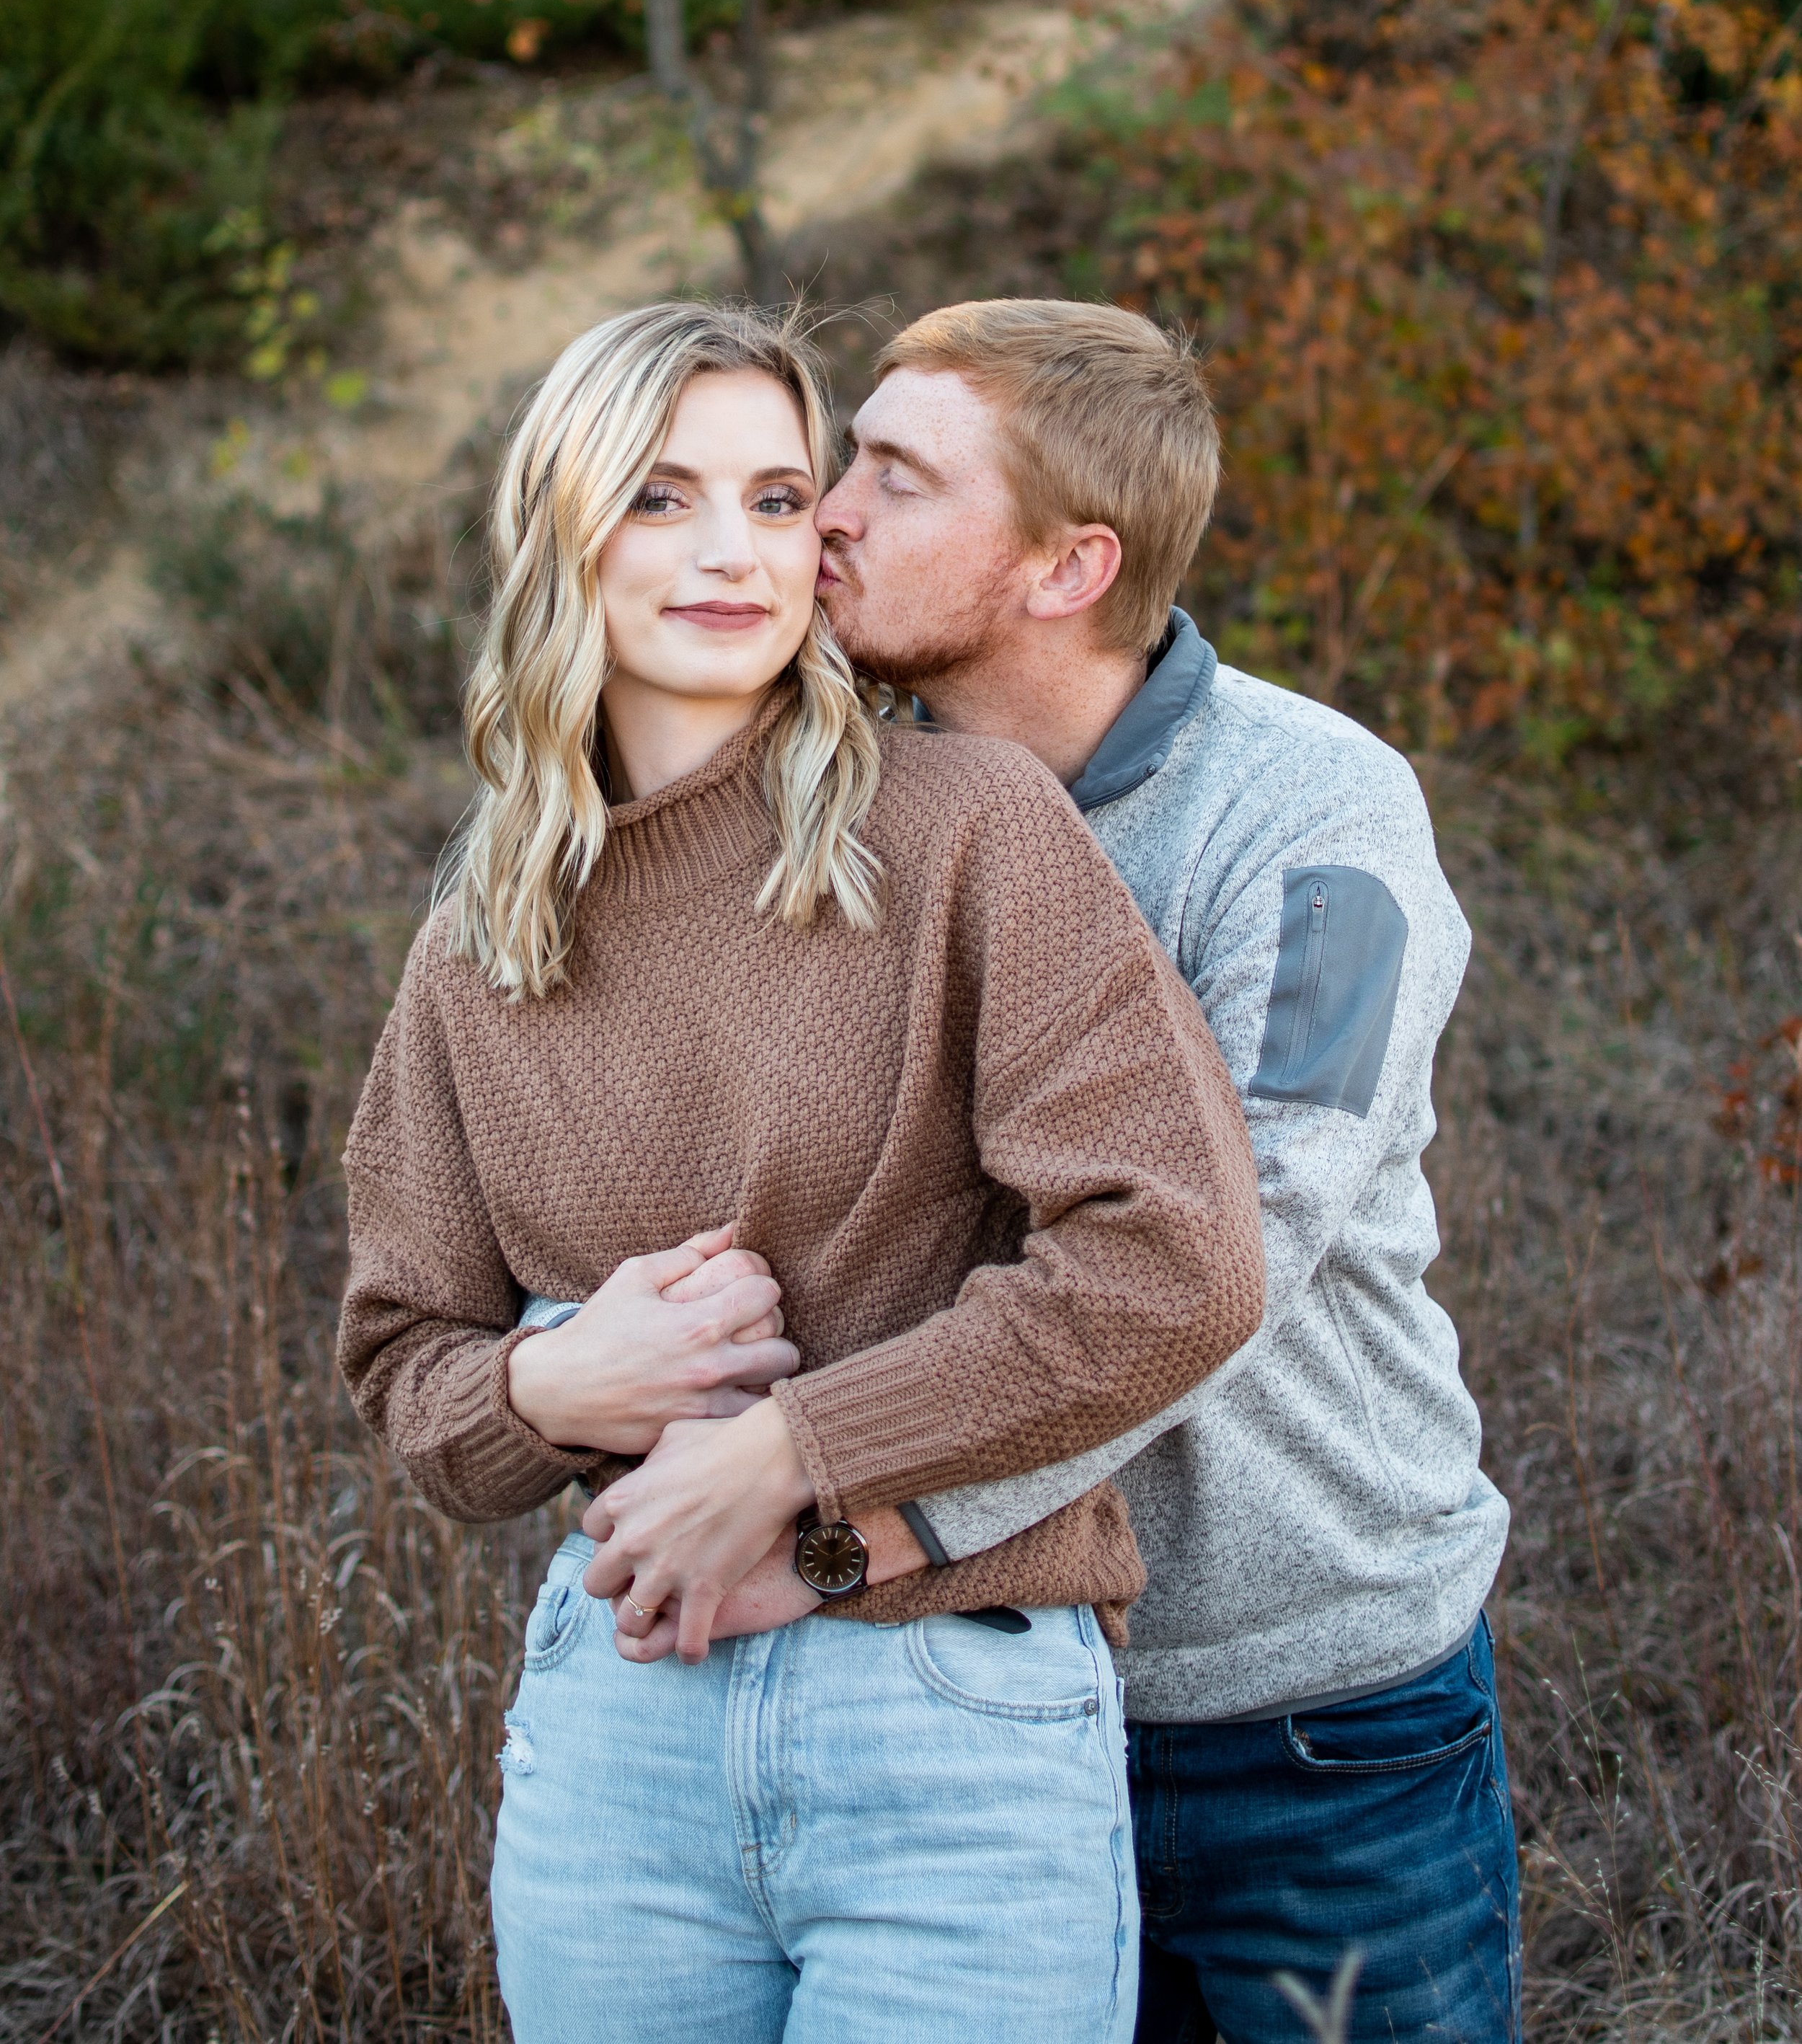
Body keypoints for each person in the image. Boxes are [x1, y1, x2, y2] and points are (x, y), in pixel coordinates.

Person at [336, 301, 1265, 2044]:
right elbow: (405, 1364)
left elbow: (1175, 1263)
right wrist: (553, 1380)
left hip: (947, 1722)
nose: (736, 551)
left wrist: (791, 1452)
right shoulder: (481, 932)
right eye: (664, 497)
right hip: (622, 1726)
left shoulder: (966, 829)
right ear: (562, 527)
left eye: (778, 500)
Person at [676, 299, 1521, 2044]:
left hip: (1310, 1732)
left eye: (894, 479)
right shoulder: (845, 807)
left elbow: (1242, 1248)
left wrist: (865, 1536)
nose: (826, 511)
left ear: (1067, 568)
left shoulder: (1320, 828)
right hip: (971, 1715)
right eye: (846, 462)